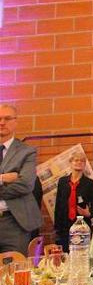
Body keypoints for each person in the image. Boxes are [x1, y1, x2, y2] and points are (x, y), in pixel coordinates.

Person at [0, 104, 42, 254]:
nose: (2, 122)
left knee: (15, 270)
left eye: (7, 118)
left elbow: (25, 184)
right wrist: (4, 178)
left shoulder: (26, 152)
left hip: (14, 222)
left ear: (15, 122)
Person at [54, 150, 93, 251]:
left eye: (82, 161)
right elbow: (58, 206)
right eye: (76, 160)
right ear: (70, 163)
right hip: (65, 227)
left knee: (82, 255)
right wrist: (57, 229)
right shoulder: (62, 182)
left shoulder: (90, 183)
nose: (79, 162)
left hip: (83, 227)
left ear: (85, 165)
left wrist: (89, 214)